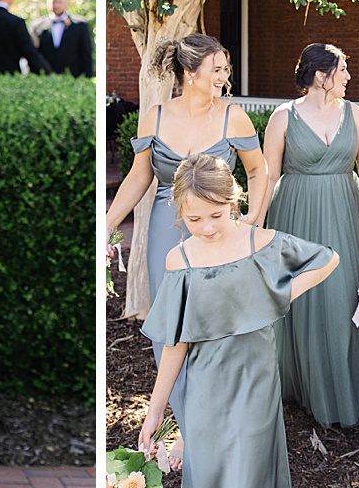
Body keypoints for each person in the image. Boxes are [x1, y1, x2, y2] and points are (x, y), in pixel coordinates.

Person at [139, 154, 338, 488]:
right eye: (194, 218)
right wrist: (157, 411)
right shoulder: (179, 260)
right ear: (181, 214)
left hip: (255, 385)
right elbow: (176, 343)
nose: (205, 228)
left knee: (250, 486)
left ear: (235, 203)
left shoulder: (259, 243)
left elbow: (327, 258)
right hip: (204, 390)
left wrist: (279, 293)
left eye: (215, 215)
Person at [104, 33, 267, 344]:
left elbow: (258, 169)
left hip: (218, 226)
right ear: (191, 73)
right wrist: (109, 223)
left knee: (218, 314)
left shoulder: (234, 117)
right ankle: (175, 392)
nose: (224, 76)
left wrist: (251, 217)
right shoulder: (156, 117)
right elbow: (139, 177)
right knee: (170, 314)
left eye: (225, 69)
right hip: (166, 224)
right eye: (216, 69)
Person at [259, 44, 359, 428]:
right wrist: (254, 226)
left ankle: (343, 393)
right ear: (321, 76)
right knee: (303, 300)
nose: (347, 77)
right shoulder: (283, 117)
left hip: (344, 211)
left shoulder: (354, 113)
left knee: (343, 298)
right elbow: (269, 176)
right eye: (342, 70)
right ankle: (304, 388)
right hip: (296, 214)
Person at [28, 0, 93, 77]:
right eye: (53, 2)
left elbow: (86, 55)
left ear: (66, 2)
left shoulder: (80, 25)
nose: (56, 6)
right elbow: (33, 55)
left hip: (73, 79)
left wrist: (87, 78)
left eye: (59, 2)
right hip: (44, 78)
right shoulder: (36, 26)